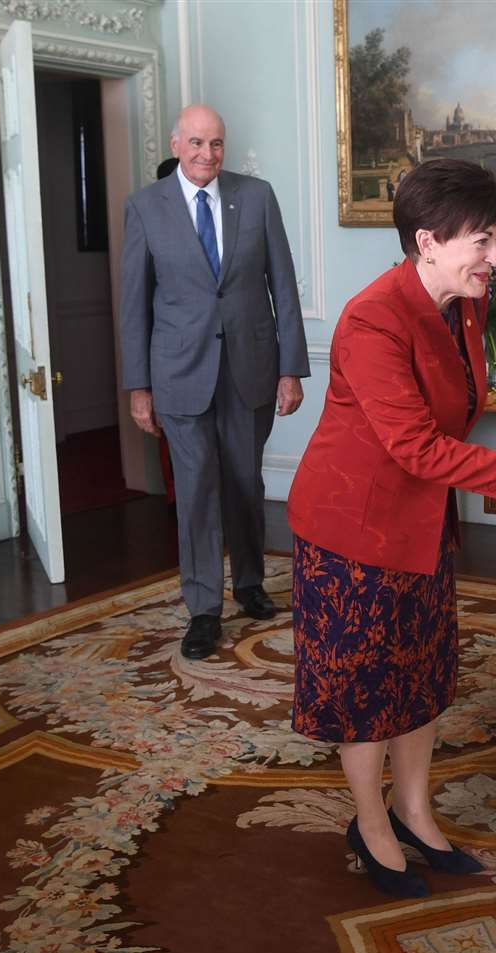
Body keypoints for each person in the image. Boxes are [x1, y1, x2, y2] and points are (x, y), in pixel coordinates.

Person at [286, 158, 496, 899]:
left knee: (420, 673)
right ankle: (369, 824)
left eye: (495, 241)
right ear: (426, 241)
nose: (494, 257)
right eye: (483, 242)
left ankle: (415, 812)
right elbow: (415, 446)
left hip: (421, 521)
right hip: (353, 528)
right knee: (366, 686)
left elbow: (453, 411)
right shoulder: (372, 319)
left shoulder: (461, 303)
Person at [120, 105, 309, 660]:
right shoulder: (145, 207)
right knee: (198, 487)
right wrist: (139, 387)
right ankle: (203, 609)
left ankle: (249, 581)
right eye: (197, 143)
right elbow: (134, 306)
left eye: (218, 144)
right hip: (178, 374)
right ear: (177, 144)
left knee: (245, 481)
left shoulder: (256, 196)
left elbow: (285, 286)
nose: (208, 155)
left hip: (250, 368)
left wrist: (291, 367)